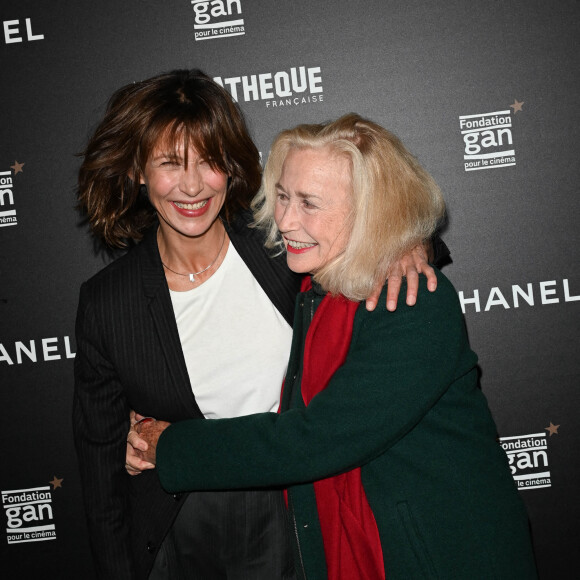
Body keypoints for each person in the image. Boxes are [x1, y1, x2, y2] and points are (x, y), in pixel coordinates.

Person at [129, 114, 538, 579]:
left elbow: (314, 440)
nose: (284, 219)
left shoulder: (411, 301)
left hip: (442, 559)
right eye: (282, 196)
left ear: (371, 212)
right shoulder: (316, 288)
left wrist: (171, 447)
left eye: (309, 203)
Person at [73, 70, 440, 579]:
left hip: (302, 508)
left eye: (208, 161)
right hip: (185, 527)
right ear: (138, 170)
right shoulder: (107, 303)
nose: (193, 185)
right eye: (170, 164)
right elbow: (101, 476)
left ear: (230, 165)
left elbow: (374, 232)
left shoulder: (282, 240)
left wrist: (408, 247)